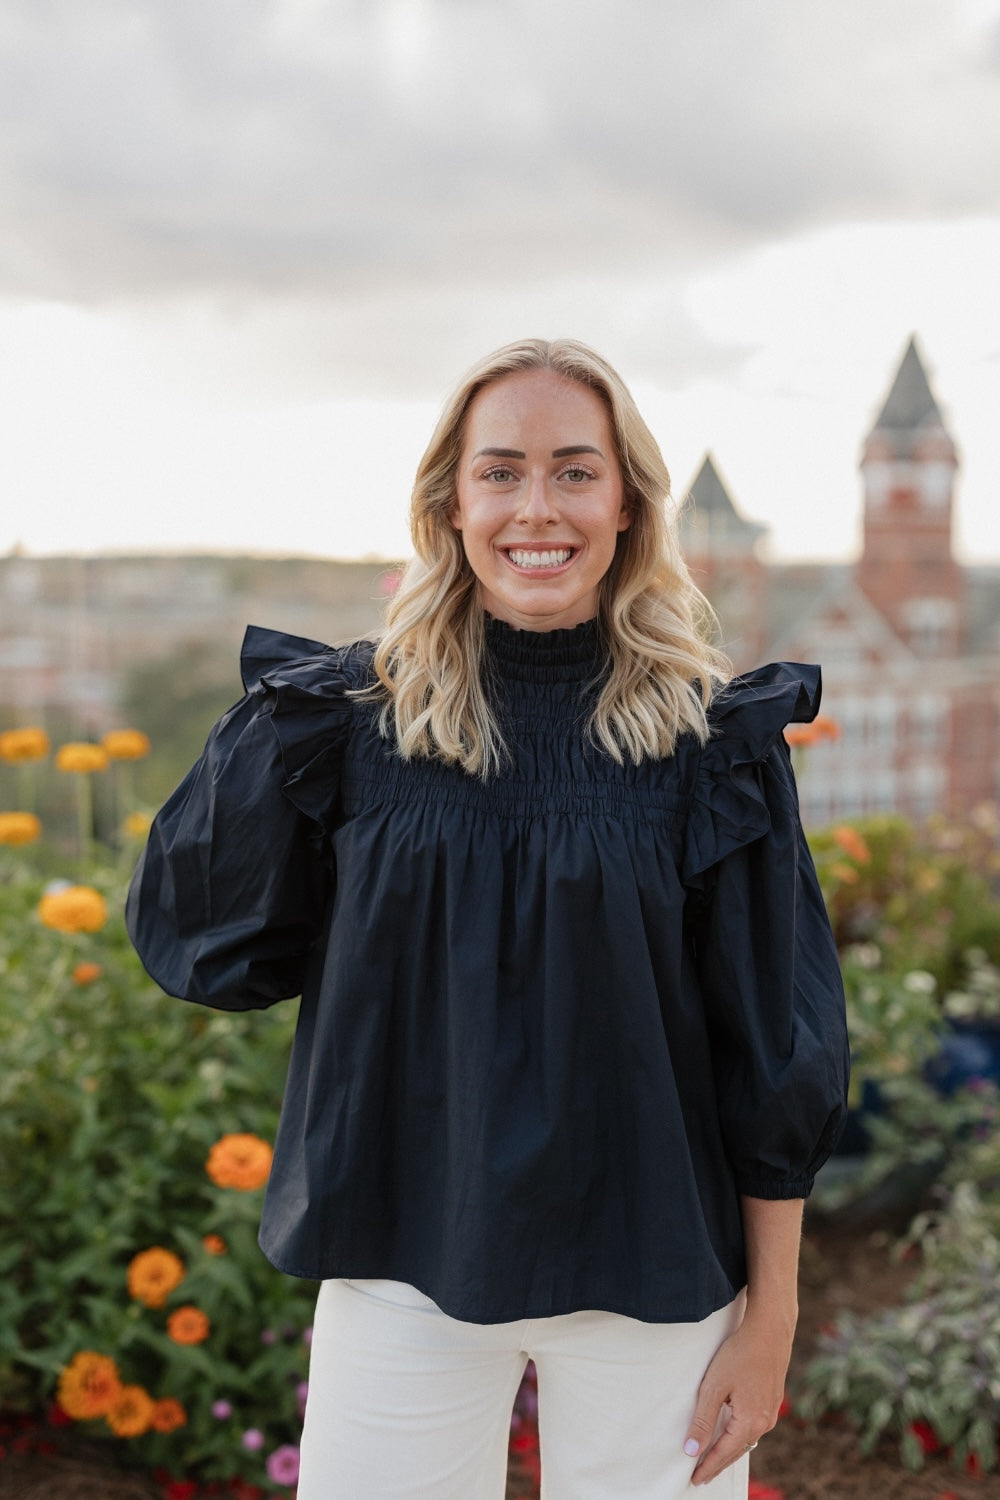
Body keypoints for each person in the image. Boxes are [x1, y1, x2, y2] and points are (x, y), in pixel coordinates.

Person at [126, 338, 850, 1499]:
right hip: (400, 1261)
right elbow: (208, 943)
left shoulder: (710, 750)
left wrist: (772, 1319)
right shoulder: (349, 725)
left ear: (626, 505)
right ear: (451, 504)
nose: (537, 508)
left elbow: (777, 1054)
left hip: (654, 1274)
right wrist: (262, 750)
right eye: (500, 471)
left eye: (575, 471)